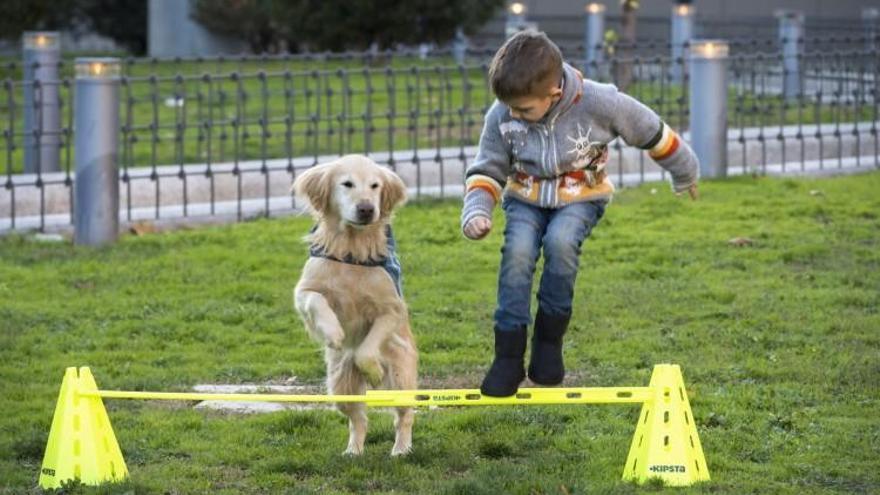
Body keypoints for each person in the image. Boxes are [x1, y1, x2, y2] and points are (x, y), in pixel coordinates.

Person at [461, 30, 699, 397]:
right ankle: (507, 358)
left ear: (554, 92)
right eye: (509, 107)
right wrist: (477, 210)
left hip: (581, 197)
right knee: (518, 255)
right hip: (525, 197)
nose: (514, 115)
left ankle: (548, 346)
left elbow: (652, 131)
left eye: (524, 110)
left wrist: (685, 172)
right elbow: (487, 168)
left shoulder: (601, 102)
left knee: (560, 243)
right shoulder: (502, 114)